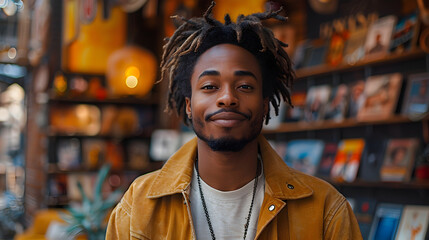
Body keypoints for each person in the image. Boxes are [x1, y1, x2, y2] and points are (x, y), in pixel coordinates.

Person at [106, 2, 362, 239]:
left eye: (245, 86)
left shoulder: (325, 209)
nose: (227, 98)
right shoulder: (138, 206)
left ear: (264, 105)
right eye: (209, 86)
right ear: (188, 105)